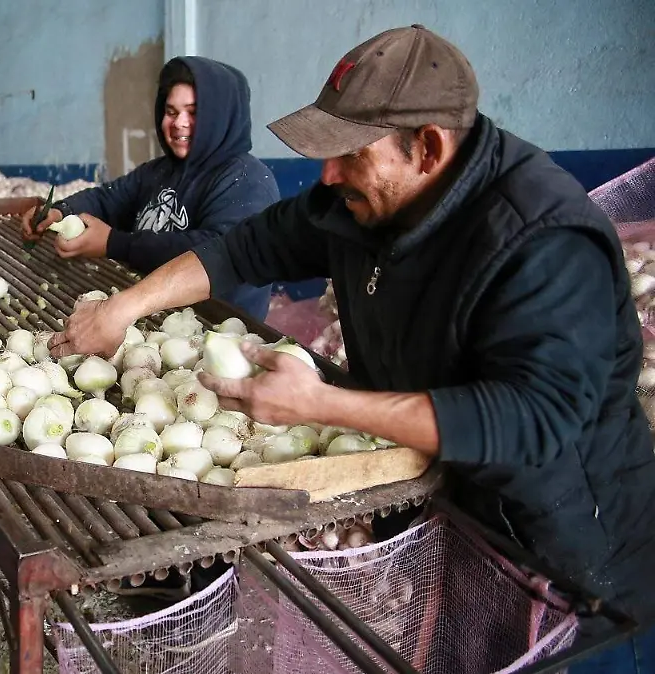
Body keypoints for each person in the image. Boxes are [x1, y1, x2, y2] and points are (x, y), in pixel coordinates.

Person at [48, 25, 655, 671]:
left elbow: (530, 419)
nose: (328, 175)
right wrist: (125, 308)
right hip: (450, 509)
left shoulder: (543, 242)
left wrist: (322, 404)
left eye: (349, 154)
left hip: (570, 559)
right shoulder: (363, 200)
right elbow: (245, 247)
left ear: (427, 147)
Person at [22, 56, 282, 320]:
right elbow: (108, 199)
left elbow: (215, 254)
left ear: (221, 117)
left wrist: (115, 244)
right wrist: (60, 213)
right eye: (171, 112)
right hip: (153, 314)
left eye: (193, 112)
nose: (179, 122)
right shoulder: (159, 171)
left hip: (211, 327)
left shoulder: (247, 180)